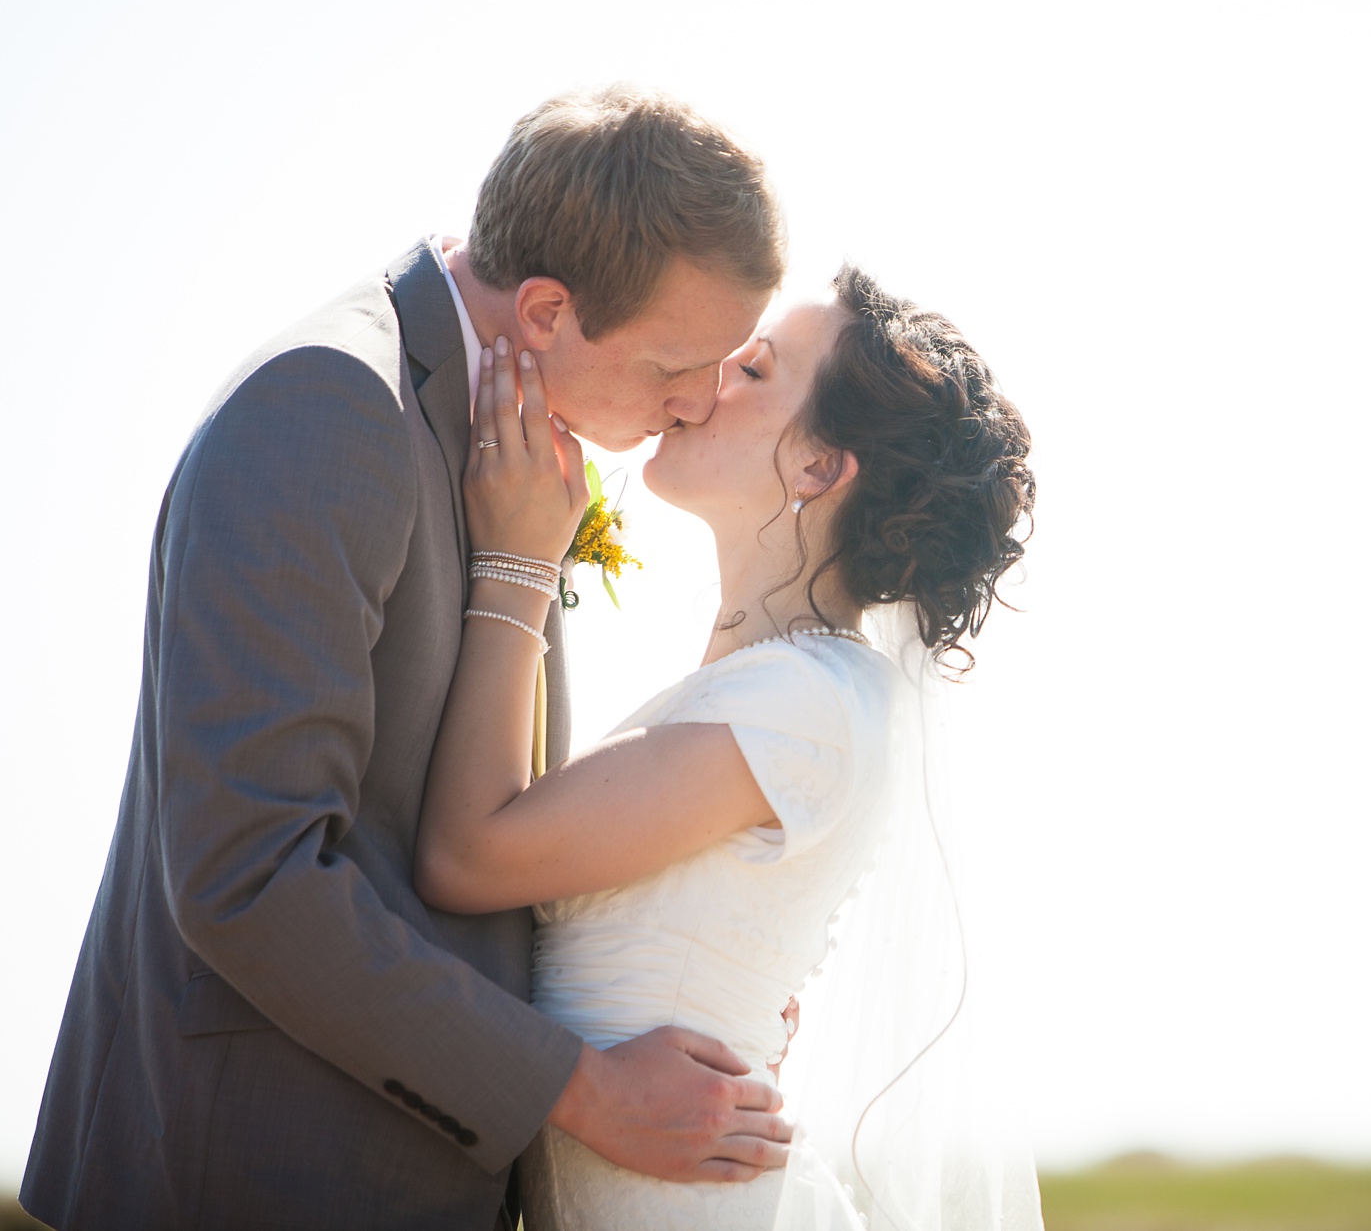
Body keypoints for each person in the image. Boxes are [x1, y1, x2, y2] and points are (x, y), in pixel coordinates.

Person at [22, 85, 798, 1231]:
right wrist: (584, 1092)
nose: (694, 405)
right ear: (543, 310)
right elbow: (248, 877)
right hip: (259, 1167)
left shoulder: (511, 436)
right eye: (676, 365)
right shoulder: (329, 408)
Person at [412, 265, 1037, 1229]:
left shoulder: (807, 703)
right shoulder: (781, 689)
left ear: (819, 469)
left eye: (754, 371)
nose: (706, 380)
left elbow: (466, 856)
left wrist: (517, 561)